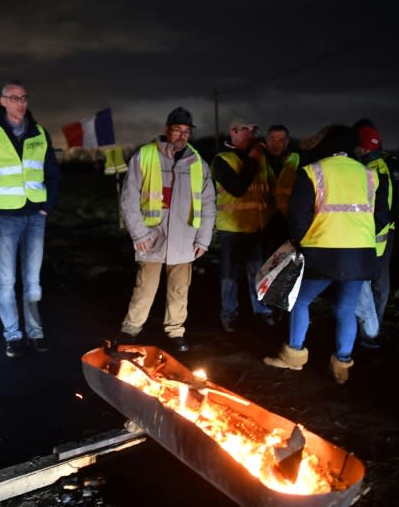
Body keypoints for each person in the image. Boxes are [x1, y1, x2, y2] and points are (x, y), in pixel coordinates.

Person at [262, 125, 390, 384]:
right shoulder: (370, 175)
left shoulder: (312, 172)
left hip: (322, 253)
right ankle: (342, 365)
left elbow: (297, 218)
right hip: (361, 254)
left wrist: (303, 242)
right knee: (346, 308)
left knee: (301, 301)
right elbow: (382, 216)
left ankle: (293, 356)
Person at [0, 80, 61, 359]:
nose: (20, 103)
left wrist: (46, 207)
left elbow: (53, 174)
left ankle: (35, 333)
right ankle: (13, 336)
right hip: (4, 219)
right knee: (6, 281)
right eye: (14, 98)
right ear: (2, 101)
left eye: (24, 98)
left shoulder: (40, 133)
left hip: (35, 216)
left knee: (32, 281)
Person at [117, 107, 216, 353]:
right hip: (152, 237)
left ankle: (175, 332)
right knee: (144, 288)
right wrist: (138, 233)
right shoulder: (146, 155)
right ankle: (131, 330)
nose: (182, 136)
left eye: (186, 132)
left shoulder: (198, 163)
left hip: (185, 239)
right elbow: (128, 198)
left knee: (179, 290)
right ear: (166, 130)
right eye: (177, 130)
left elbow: (208, 204)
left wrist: (203, 240)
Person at [211, 118, 275, 332]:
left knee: (258, 274)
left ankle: (262, 311)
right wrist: (254, 159)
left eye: (254, 129)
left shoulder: (261, 158)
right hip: (231, 229)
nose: (251, 133)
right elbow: (237, 189)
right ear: (233, 132)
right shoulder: (222, 160)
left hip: (256, 227)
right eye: (246, 129)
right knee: (229, 277)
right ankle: (229, 315)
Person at [352, 120, 399, 348]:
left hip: (373, 236)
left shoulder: (375, 169)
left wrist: (378, 225)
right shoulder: (383, 164)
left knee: (368, 285)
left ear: (363, 147)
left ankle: (368, 332)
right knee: (375, 285)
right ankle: (368, 332)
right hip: (380, 234)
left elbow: (397, 203)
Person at [260, 125, 301, 256]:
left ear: (287, 142)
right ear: (266, 141)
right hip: (265, 224)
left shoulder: (298, 160)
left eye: (281, 140)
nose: (276, 144)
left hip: (289, 223)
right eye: (272, 140)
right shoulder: (259, 160)